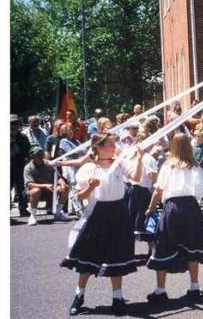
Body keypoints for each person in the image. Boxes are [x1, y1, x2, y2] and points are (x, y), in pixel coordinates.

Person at [60, 132, 143, 316]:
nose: (114, 148)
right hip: (98, 214)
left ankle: (117, 297)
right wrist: (91, 187)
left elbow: (136, 177)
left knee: (117, 256)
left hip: (119, 212)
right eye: (110, 145)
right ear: (98, 147)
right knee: (88, 258)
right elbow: (79, 197)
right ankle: (79, 296)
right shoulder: (90, 168)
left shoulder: (119, 163)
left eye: (114, 144)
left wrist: (139, 158)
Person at [145, 134, 203, 303]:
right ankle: (194, 287)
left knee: (163, 245)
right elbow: (199, 191)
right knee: (192, 246)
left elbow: (158, 190)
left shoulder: (168, 166)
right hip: (191, 208)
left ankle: (160, 290)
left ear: (173, 147)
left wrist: (150, 209)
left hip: (172, 209)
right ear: (189, 146)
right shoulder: (194, 167)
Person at [126, 132, 158, 252]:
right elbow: (153, 176)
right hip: (142, 192)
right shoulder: (148, 158)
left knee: (131, 219)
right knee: (146, 219)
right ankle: (152, 250)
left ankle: (128, 251)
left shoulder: (130, 155)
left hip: (129, 190)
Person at [23, 147, 70, 225]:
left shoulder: (49, 164)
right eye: (37, 154)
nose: (40, 156)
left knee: (65, 188)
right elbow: (30, 184)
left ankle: (57, 213)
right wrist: (45, 186)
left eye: (41, 154)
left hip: (50, 189)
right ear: (32, 156)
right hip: (33, 192)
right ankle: (33, 216)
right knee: (36, 190)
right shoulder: (28, 168)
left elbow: (58, 177)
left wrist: (62, 183)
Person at [58, 123, 88, 217]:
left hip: (79, 164)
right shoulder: (63, 141)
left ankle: (76, 208)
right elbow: (72, 153)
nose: (72, 132)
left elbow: (84, 151)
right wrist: (80, 152)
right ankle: (78, 210)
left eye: (72, 130)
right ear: (65, 132)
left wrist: (81, 153)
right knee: (74, 186)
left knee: (78, 186)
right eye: (69, 130)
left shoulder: (76, 141)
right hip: (69, 166)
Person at [10, 114, 31, 217]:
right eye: (11, 124)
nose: (14, 126)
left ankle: (23, 209)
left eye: (15, 124)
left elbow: (28, 150)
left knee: (21, 188)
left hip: (19, 165)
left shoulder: (23, 137)